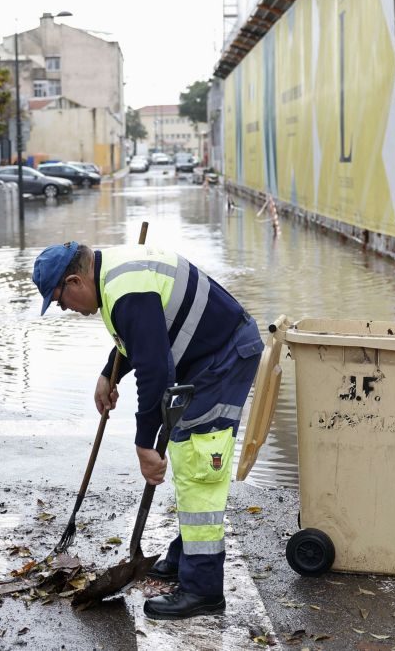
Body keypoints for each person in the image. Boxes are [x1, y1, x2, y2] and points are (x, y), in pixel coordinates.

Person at [32, 241, 263, 620]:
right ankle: (184, 556)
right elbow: (137, 341)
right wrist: (110, 373)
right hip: (206, 356)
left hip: (224, 357)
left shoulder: (125, 291)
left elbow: (157, 372)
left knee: (198, 463)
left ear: (75, 281)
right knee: (189, 456)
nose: (67, 310)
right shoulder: (111, 277)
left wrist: (144, 445)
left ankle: (203, 590)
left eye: (61, 301)